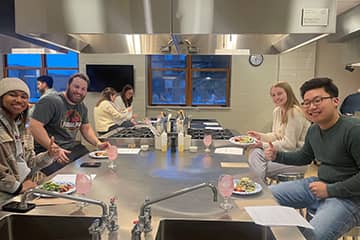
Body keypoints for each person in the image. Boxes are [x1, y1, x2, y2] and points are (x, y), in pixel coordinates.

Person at [265, 78, 360, 240]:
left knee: (311, 236)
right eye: (307, 102)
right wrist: (277, 155)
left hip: (350, 198)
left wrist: (330, 191)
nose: (311, 107)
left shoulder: (353, 130)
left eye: (317, 100)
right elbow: (304, 157)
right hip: (319, 185)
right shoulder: (314, 130)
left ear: (335, 101)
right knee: (264, 199)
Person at [29, 73, 109, 175]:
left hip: (72, 148)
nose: (79, 91)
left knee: (95, 170)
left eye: (83, 89)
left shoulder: (81, 107)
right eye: (76, 87)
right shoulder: (51, 101)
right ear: (68, 86)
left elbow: (86, 128)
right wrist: (54, 148)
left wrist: (98, 143)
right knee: (64, 179)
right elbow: (35, 126)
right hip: (49, 151)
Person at [0, 77, 60, 194]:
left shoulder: (23, 127)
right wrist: (17, 187)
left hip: (25, 186)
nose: (18, 100)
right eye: (13, 95)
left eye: (23, 97)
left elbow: (30, 163)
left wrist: (49, 155)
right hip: (7, 194)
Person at [247, 82, 311, 181]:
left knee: (257, 166)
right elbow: (276, 135)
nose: (276, 97)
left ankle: (259, 189)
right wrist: (260, 136)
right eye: (273, 95)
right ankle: (259, 187)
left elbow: (289, 144)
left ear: (288, 93)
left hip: (296, 159)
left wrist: (262, 145)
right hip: (282, 154)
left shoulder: (294, 112)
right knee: (255, 154)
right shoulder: (277, 111)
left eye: (280, 93)